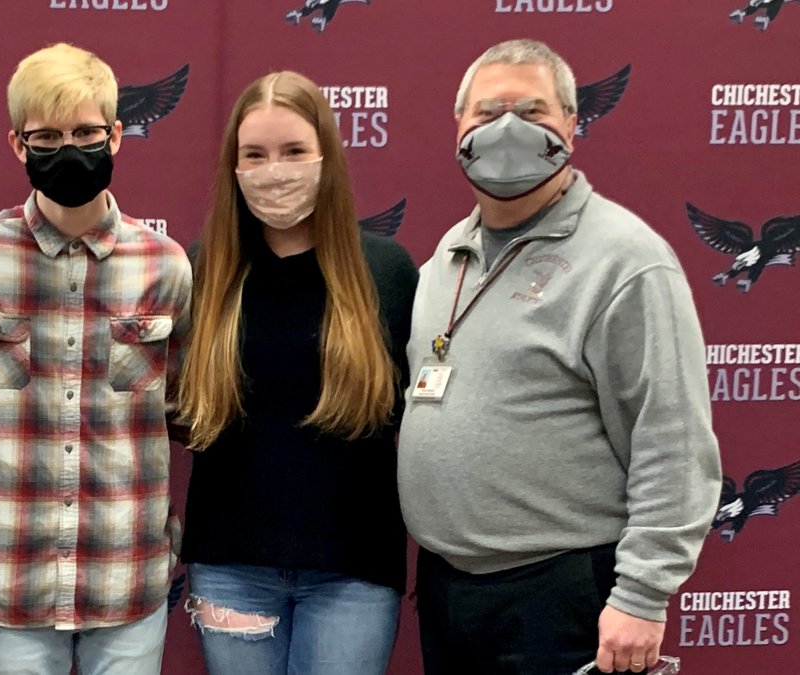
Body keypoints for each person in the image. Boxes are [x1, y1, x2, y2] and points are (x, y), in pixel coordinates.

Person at [397, 38, 723, 675]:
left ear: (572, 125)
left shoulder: (626, 260)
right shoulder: (447, 256)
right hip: (447, 590)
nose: (508, 129)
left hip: (561, 595)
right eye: (488, 113)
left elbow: (672, 438)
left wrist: (642, 595)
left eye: (533, 112)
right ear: (459, 125)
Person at [0, 43, 191, 675]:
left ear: (116, 136)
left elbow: (183, 405)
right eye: (46, 137)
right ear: (18, 144)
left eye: (85, 133)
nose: (68, 150)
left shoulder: (166, 267)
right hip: (12, 577)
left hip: (125, 574)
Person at [179, 70, 418, 675]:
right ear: (234, 166)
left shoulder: (386, 271)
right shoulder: (202, 272)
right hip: (229, 566)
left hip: (354, 571)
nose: (275, 171)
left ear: (326, 157)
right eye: (255, 155)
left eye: (293, 151)